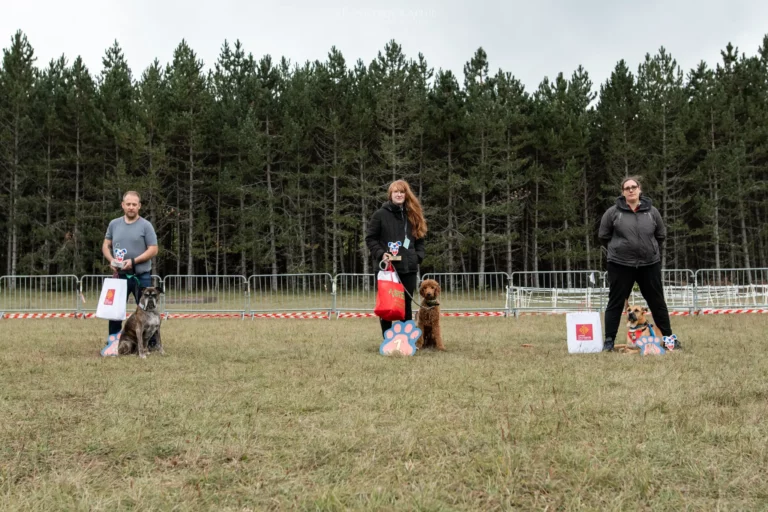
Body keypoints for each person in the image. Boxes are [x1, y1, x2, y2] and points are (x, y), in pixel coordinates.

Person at [598, 176, 681, 351]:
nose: (630, 190)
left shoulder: (652, 212)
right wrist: (620, 249)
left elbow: (660, 235)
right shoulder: (613, 213)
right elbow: (603, 236)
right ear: (622, 192)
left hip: (649, 264)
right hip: (620, 264)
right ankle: (609, 342)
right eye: (627, 188)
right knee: (615, 302)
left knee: (658, 302)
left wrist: (649, 250)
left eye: (633, 187)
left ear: (639, 189)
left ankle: (669, 340)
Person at [365, 179, 427, 338]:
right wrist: (381, 253)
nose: (399, 194)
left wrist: (417, 257)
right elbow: (371, 238)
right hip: (387, 269)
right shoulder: (380, 215)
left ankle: (406, 341)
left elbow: (420, 240)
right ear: (390, 195)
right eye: (396, 192)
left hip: (409, 268)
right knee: (388, 305)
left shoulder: (413, 214)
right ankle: (388, 340)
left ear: (406, 195)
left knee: (405, 306)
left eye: (402, 192)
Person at [102, 191, 159, 345]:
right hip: (120, 277)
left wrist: (134, 261)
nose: (131, 207)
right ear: (123, 205)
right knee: (115, 312)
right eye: (128, 204)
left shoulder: (146, 226)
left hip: (142, 276)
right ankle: (113, 342)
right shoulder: (114, 224)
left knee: (148, 310)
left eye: (134, 204)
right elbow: (106, 245)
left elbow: (153, 249)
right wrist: (111, 259)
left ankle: (151, 343)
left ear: (139, 206)